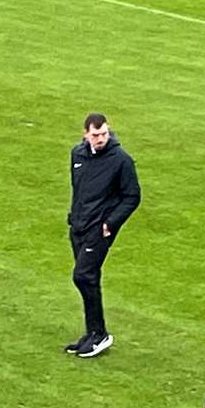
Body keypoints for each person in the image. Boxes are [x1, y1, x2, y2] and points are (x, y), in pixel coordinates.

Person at [65, 113, 141, 358]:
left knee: (82, 275)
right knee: (89, 280)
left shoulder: (121, 160)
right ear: (85, 134)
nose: (100, 139)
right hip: (78, 226)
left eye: (104, 134)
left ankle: (100, 334)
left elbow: (132, 196)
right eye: (95, 135)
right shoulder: (77, 155)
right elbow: (78, 190)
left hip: (99, 230)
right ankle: (93, 333)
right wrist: (73, 217)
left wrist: (110, 223)